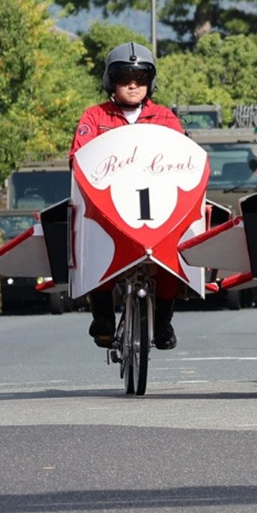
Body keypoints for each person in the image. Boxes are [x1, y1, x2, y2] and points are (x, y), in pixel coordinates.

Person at [72, 41, 185, 351]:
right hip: (108, 205)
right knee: (96, 243)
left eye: (140, 78)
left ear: (150, 82)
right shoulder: (94, 117)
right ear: (112, 81)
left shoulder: (165, 117)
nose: (133, 85)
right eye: (124, 78)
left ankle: (163, 320)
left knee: (173, 250)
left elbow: (185, 158)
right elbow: (78, 158)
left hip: (157, 203)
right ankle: (103, 317)